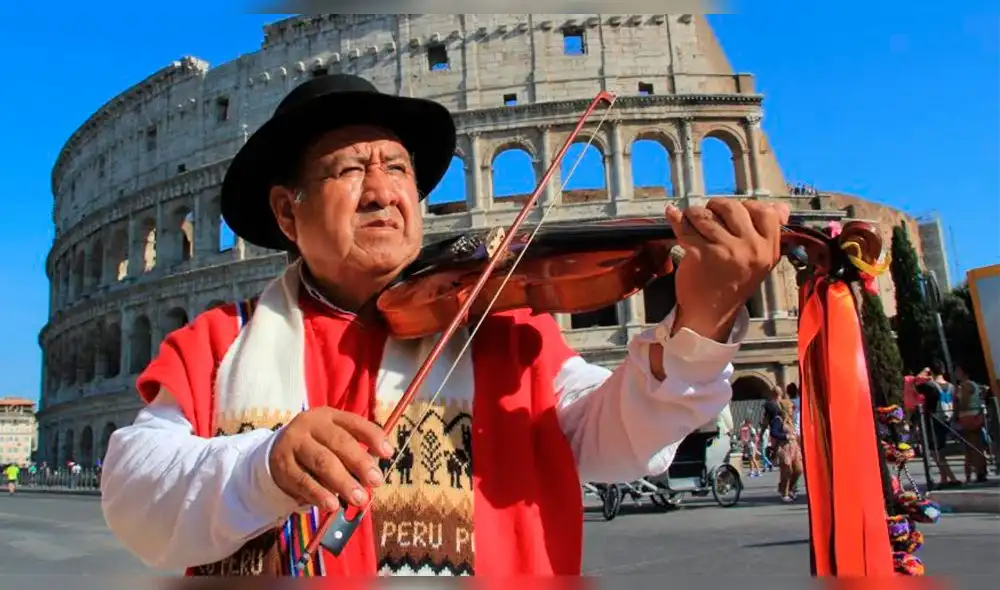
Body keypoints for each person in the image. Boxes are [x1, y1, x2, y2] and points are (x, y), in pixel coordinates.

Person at [99, 74, 789, 578]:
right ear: (288, 212)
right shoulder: (219, 341)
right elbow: (134, 493)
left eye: (397, 167)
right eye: (350, 169)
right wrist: (265, 464)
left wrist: (700, 320)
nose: (383, 189)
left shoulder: (503, 332)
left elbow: (624, 440)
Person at [916, 360, 960, 487]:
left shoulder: (930, 385)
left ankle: (951, 478)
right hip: (946, 418)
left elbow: (916, 381)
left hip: (933, 420)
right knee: (940, 450)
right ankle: (944, 478)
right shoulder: (951, 386)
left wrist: (924, 370)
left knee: (935, 451)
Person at [954, 364, 989, 483]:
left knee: (973, 446)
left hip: (968, 417)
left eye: (958, 370)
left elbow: (964, 403)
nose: (956, 373)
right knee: (973, 446)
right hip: (974, 416)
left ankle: (979, 472)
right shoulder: (974, 385)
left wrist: (956, 411)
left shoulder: (965, 386)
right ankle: (978, 472)